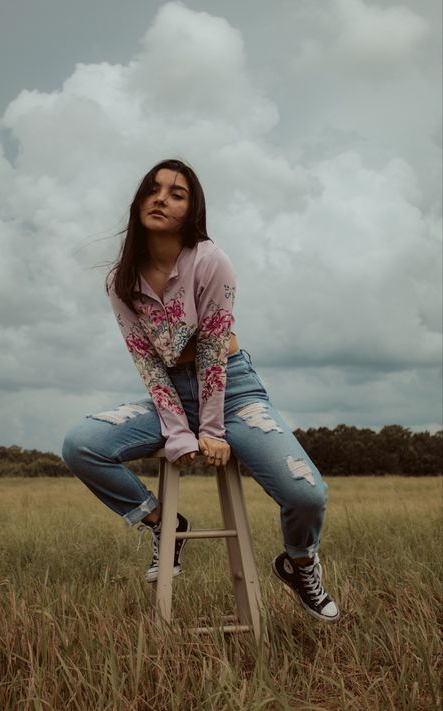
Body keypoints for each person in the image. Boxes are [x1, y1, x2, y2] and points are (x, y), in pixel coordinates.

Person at [62, 158, 340, 623]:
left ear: (192, 210)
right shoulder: (121, 279)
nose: (161, 198)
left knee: (307, 494)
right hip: (169, 392)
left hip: (233, 390)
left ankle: (298, 561)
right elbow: (146, 360)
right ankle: (164, 523)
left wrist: (210, 429)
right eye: (152, 189)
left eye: (176, 193)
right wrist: (176, 430)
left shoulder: (210, 260)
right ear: (138, 202)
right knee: (80, 444)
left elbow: (212, 350)